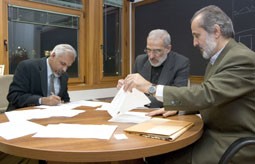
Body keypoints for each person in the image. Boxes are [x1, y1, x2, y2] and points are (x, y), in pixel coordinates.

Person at [121, 5, 255, 164]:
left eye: (197, 35)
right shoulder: (221, 58)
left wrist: (151, 88)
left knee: (160, 157)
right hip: (214, 133)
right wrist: (180, 107)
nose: (194, 43)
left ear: (216, 31)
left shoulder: (241, 59)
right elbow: (217, 95)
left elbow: (207, 94)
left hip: (229, 142)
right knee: (155, 155)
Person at [117, 29, 190, 108]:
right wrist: (125, 87)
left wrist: (144, 100)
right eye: (148, 50)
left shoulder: (181, 63)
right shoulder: (140, 61)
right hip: (139, 112)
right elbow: (134, 92)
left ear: (168, 49)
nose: (151, 56)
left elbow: (177, 98)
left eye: (157, 51)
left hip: (164, 113)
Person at [7, 44, 77, 111]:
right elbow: (14, 96)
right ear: (53, 55)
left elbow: (65, 100)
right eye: (63, 64)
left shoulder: (64, 76)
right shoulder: (27, 67)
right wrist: (42, 100)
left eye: (68, 66)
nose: (64, 69)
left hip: (51, 117)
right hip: (23, 116)